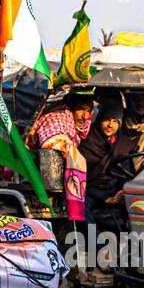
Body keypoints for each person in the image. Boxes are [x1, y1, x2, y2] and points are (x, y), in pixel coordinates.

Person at [29, 91, 95, 220]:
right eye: (80, 110)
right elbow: (52, 138)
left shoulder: (79, 129)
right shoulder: (60, 116)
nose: (84, 116)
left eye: (88, 111)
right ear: (71, 109)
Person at [82, 96, 137, 210]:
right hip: (90, 191)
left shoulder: (123, 145)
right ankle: (92, 229)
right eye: (107, 120)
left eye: (115, 121)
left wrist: (122, 191)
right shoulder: (88, 141)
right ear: (99, 120)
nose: (110, 125)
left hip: (115, 190)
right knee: (82, 207)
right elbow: (81, 179)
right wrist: (103, 198)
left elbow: (127, 174)